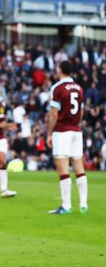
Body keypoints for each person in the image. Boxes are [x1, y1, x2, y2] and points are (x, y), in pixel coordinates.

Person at [47, 60, 87, 215]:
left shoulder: (57, 88)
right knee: (79, 168)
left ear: (60, 70)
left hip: (62, 131)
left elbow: (54, 114)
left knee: (63, 168)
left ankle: (66, 206)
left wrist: (49, 132)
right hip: (77, 131)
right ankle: (83, 204)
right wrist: (75, 125)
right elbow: (81, 112)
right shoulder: (79, 88)